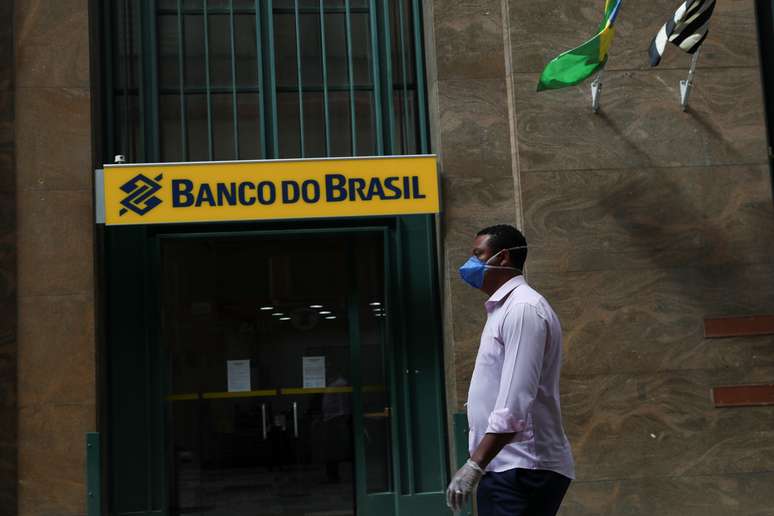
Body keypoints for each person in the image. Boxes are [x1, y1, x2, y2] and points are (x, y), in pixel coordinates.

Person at [446, 225, 574, 516]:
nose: (470, 265)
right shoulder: (503, 309)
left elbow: (515, 402)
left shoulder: (523, 309)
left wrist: (474, 464)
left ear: (503, 258)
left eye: (478, 255)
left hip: (523, 468)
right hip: (506, 465)